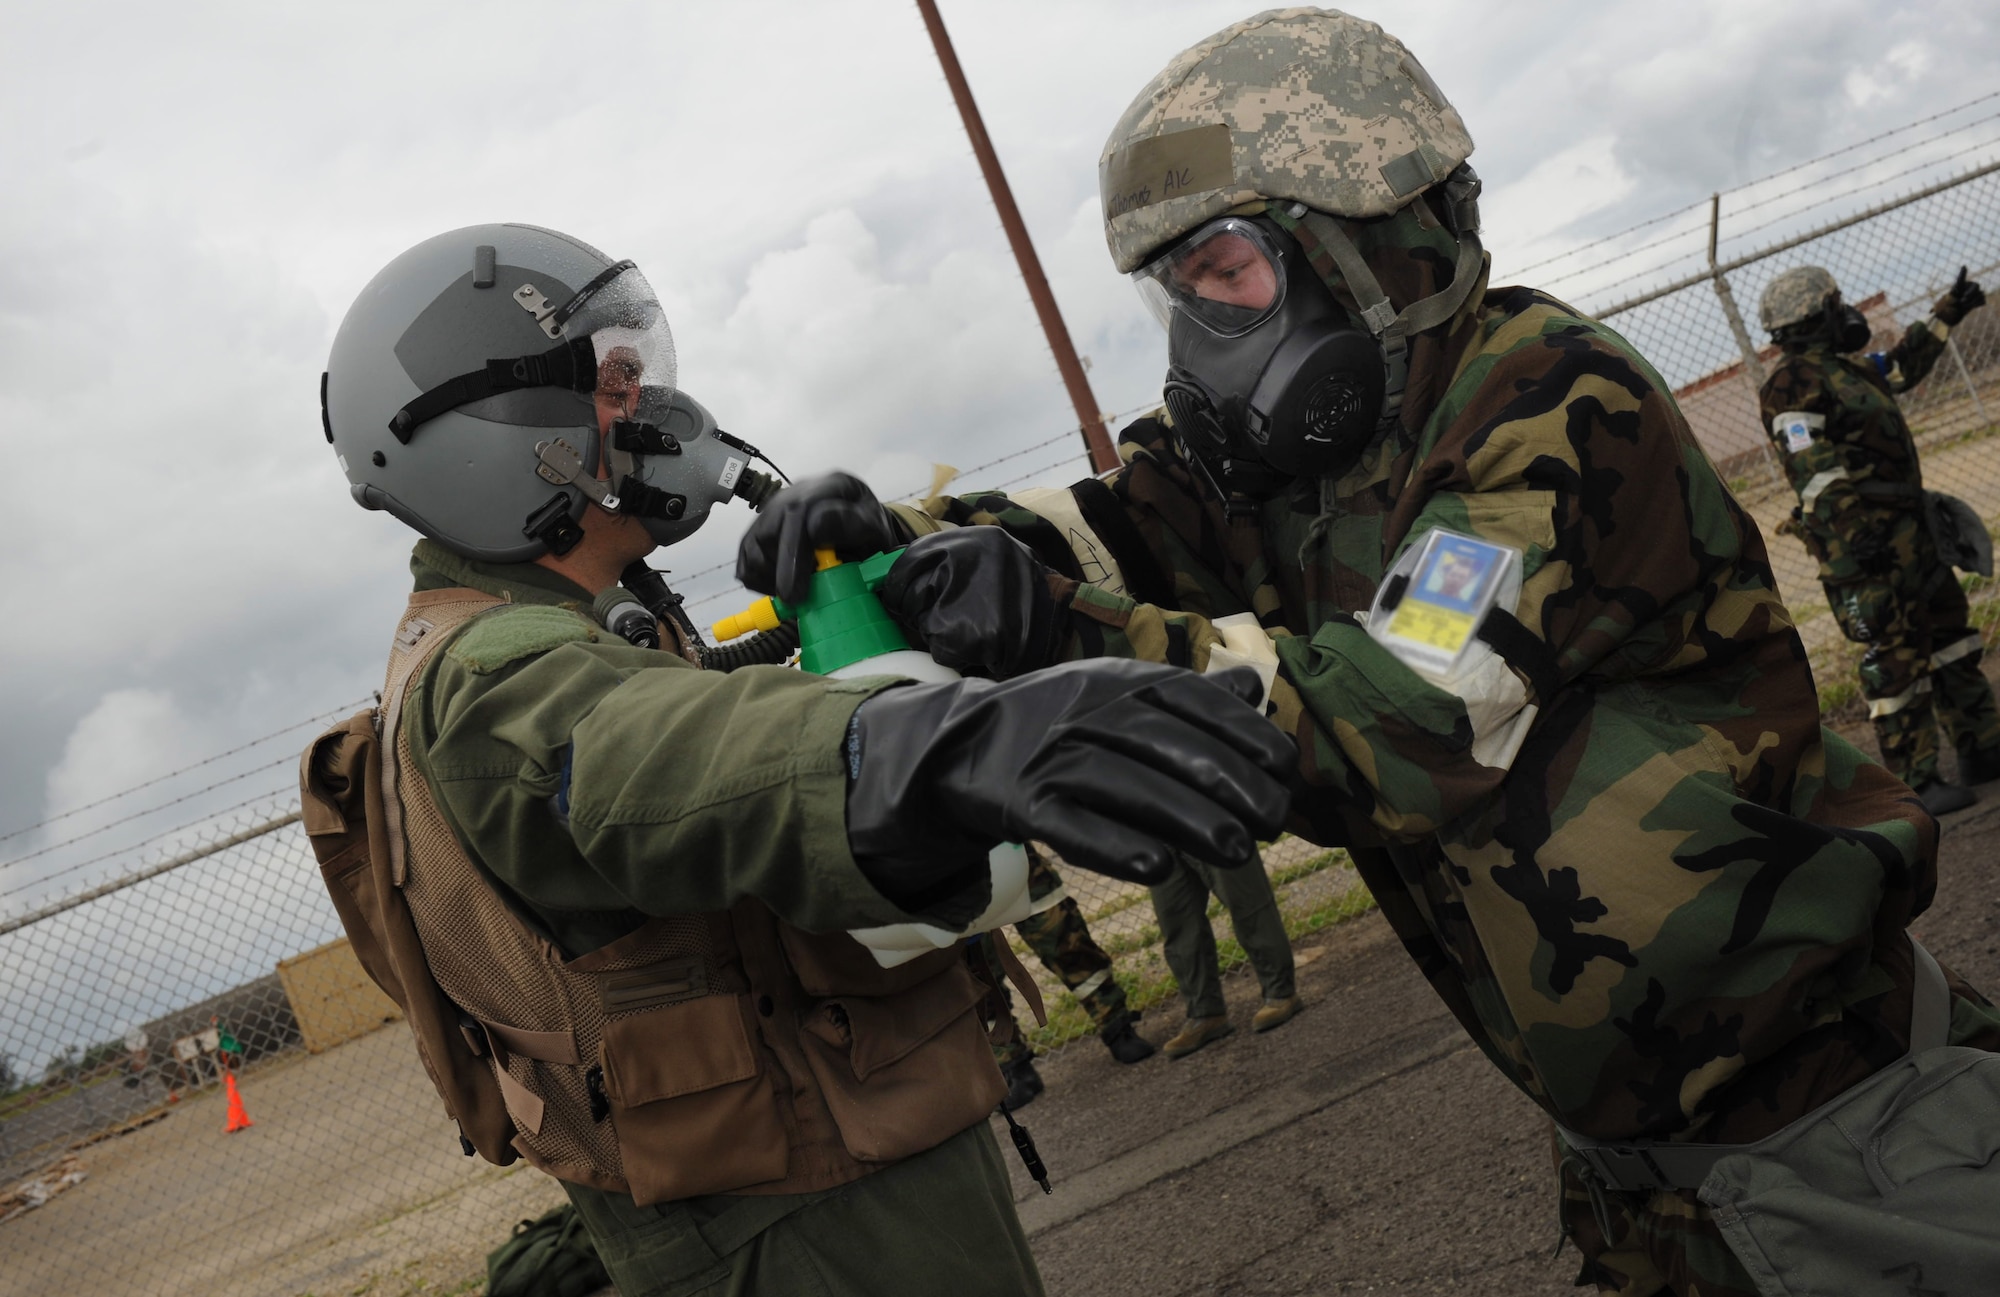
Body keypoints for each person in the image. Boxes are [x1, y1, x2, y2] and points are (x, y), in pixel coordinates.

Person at [734, 12, 2000, 1295]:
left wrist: (1058, 626)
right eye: (1174, 291)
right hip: (1646, 1169)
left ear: (1369, 235)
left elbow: (1388, 727)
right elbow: (1119, 522)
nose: (1200, 327)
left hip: (1838, 1144)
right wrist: (902, 540)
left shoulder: (1543, 402)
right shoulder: (1331, 461)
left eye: (1225, 269)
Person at [311, 223, 1294, 1297]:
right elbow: (654, 759)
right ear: (505, 430)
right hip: (813, 1228)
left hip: (813, 1187)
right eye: (617, 384)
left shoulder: (552, 633)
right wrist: (931, 745)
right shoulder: (495, 670)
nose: (660, 415)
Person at [1757, 264, 2000, 815]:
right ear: (1812, 316)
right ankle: (1917, 779)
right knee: (1895, 657)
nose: (1848, 310)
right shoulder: (1792, 384)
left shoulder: (1847, 370)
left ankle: (1982, 747)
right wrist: (1854, 534)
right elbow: (1811, 469)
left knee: (1951, 637)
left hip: (1911, 533)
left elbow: (1901, 365)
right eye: (1836, 301)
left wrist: (1947, 312)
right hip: (1866, 544)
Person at [982, 847, 1155, 1112]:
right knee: (978, 979)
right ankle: (1013, 1068)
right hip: (948, 882)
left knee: (1068, 944)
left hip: (1008, 856)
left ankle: (1118, 1028)